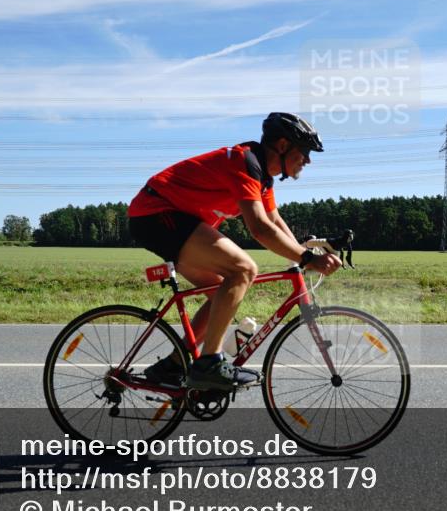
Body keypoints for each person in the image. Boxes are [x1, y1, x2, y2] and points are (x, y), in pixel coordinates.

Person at [127, 112, 343, 390]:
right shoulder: (246, 162)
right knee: (244, 269)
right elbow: (261, 229)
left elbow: (274, 221)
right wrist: (307, 259)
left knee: (220, 292)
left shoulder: (262, 176)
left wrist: (301, 255)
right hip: (157, 214)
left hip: (171, 220)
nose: (308, 160)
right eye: (304, 151)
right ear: (282, 144)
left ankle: (174, 364)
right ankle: (209, 365)